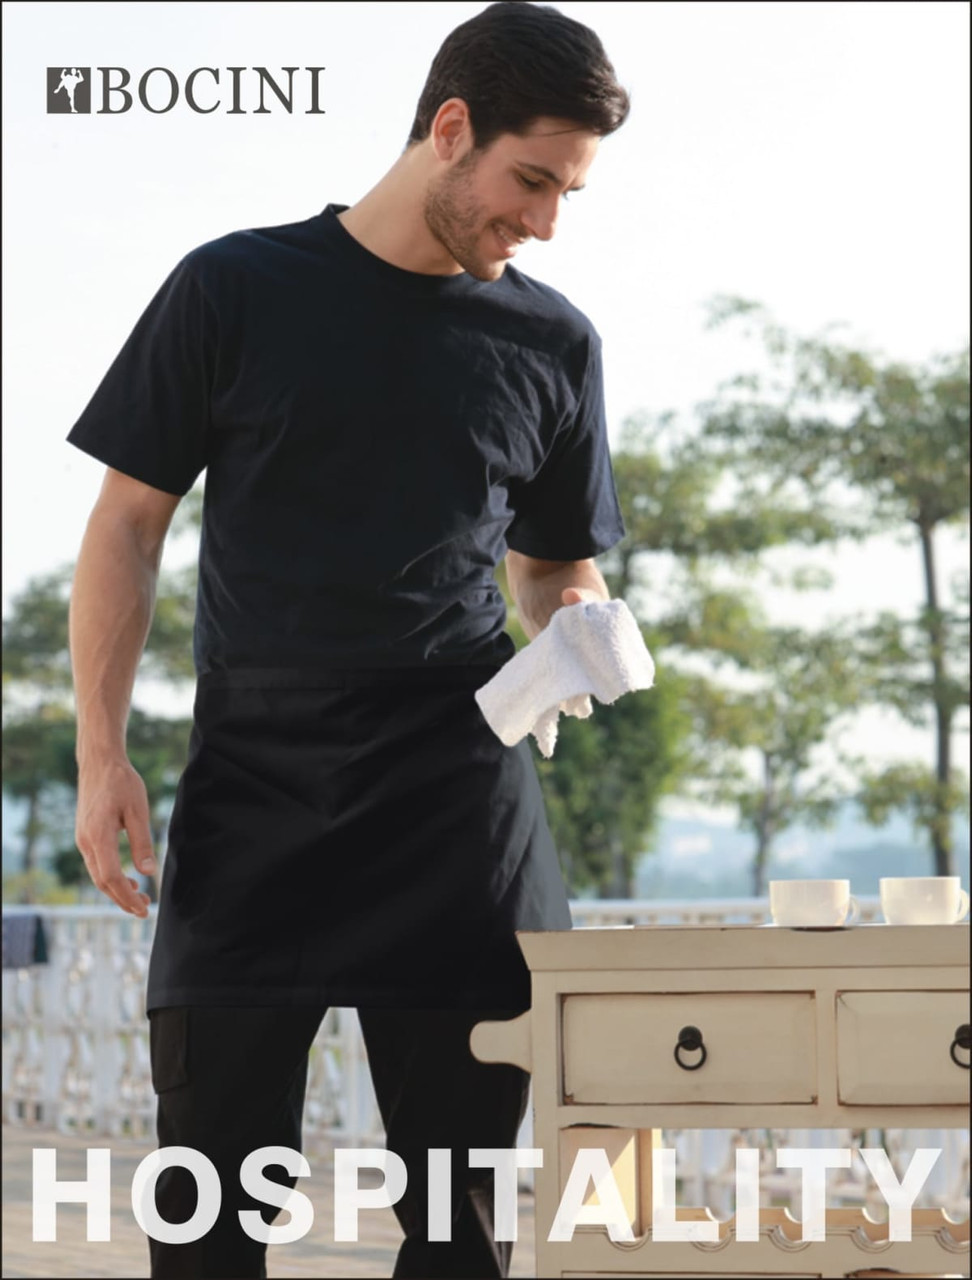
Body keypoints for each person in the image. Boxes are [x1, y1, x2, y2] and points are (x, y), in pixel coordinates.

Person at [67, 3, 630, 1276]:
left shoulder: (552, 340)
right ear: (449, 129)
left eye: (568, 193)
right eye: (531, 178)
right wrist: (102, 752)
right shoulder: (236, 286)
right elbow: (126, 526)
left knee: (460, 1210)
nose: (543, 220)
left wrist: (581, 620)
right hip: (255, 776)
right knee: (207, 1192)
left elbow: (551, 563)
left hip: (456, 790)